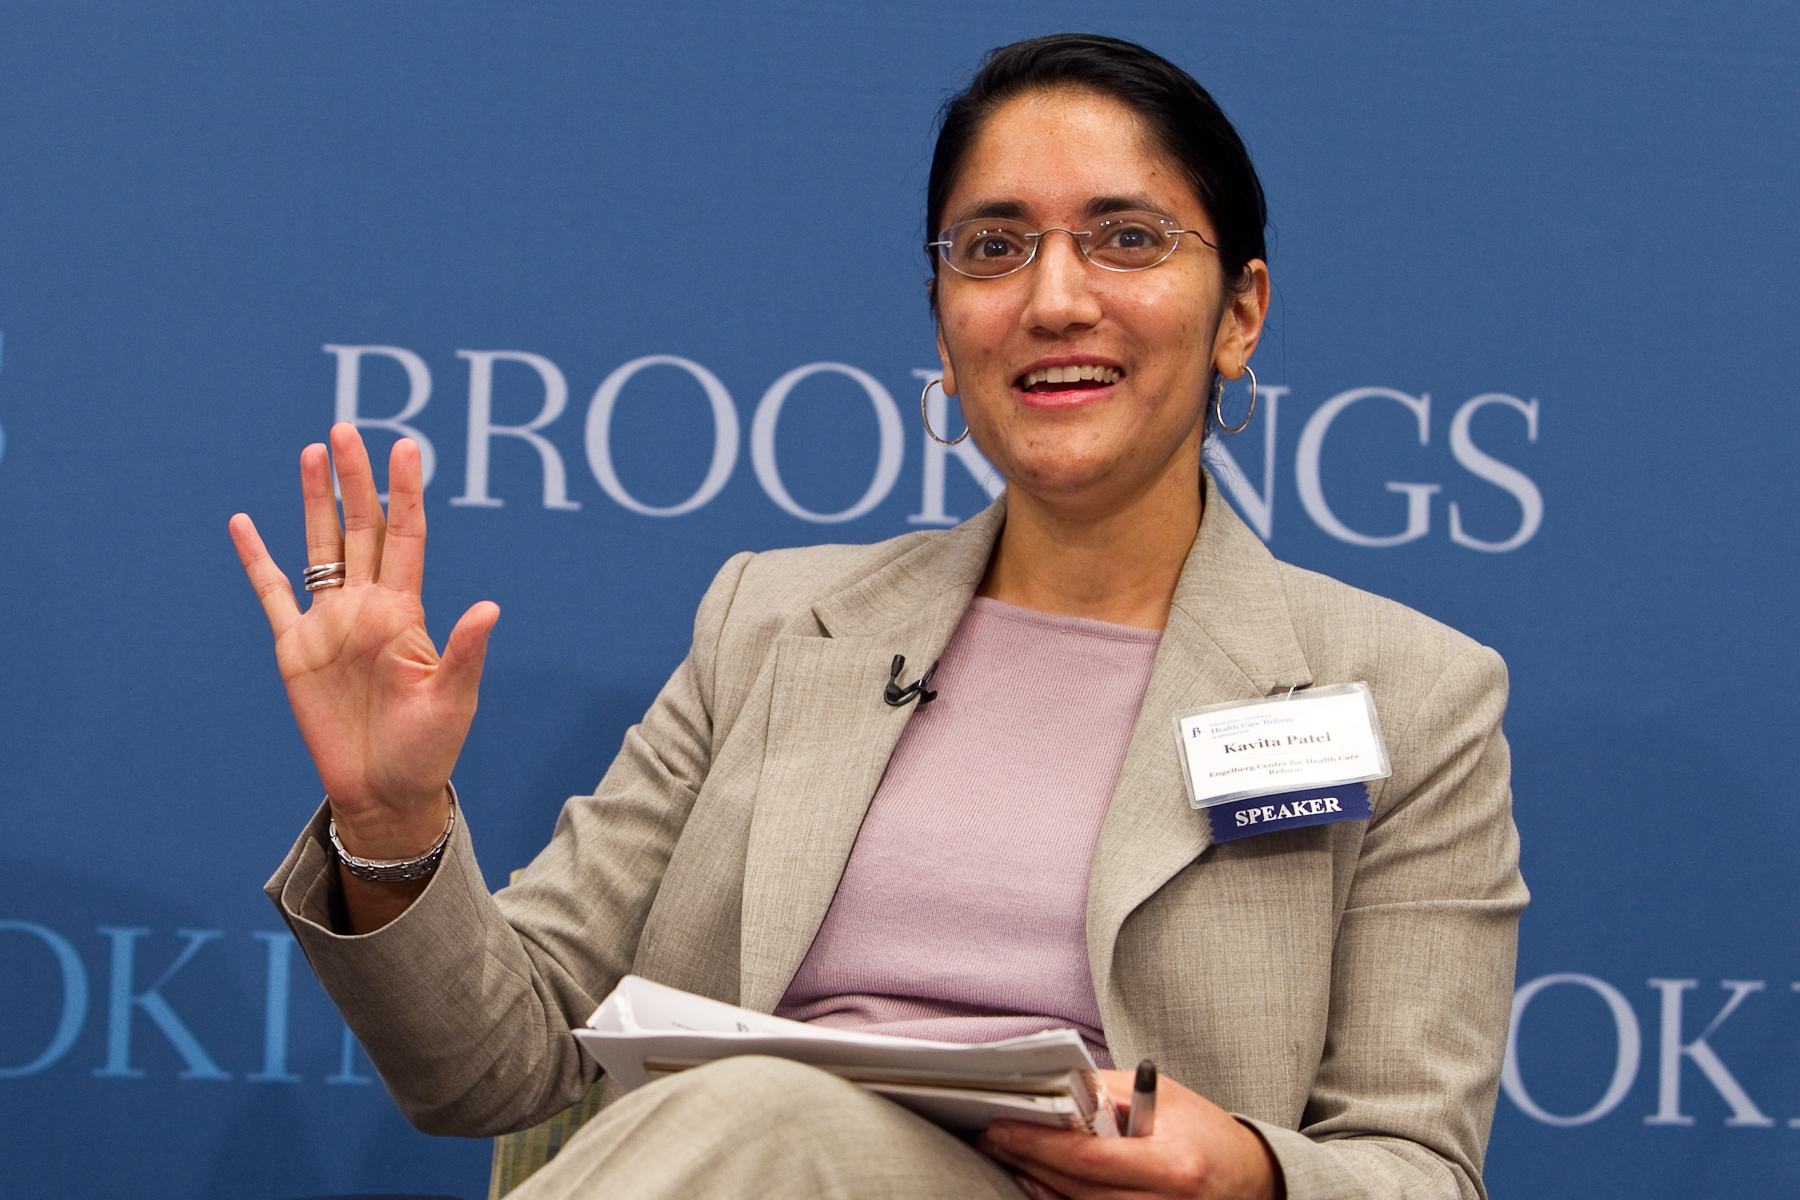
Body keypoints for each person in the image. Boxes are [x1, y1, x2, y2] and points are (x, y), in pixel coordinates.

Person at [230, 33, 1526, 1200]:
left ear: (1239, 313)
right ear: (945, 327)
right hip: (731, 1166)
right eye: (995, 248)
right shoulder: (775, 625)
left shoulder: (1405, 694)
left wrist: (1246, 1171)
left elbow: (1416, 1167)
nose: (1055, 299)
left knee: (756, 1116)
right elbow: (493, 1068)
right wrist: (389, 820)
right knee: (757, 1120)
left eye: (1126, 239)